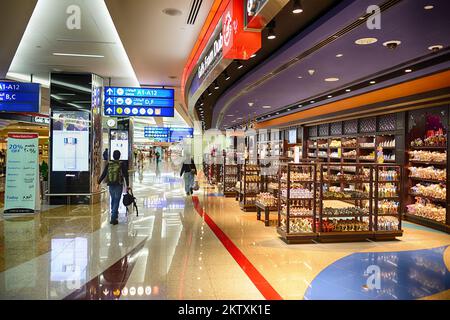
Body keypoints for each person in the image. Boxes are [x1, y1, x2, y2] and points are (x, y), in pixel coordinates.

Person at [98, 150, 130, 225]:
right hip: (118, 184)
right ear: (119, 156)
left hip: (110, 183)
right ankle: (113, 217)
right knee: (117, 199)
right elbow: (126, 175)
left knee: (113, 198)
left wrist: (98, 182)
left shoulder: (109, 163)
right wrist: (127, 185)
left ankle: (114, 212)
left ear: (113, 156)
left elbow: (104, 173)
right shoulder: (122, 164)